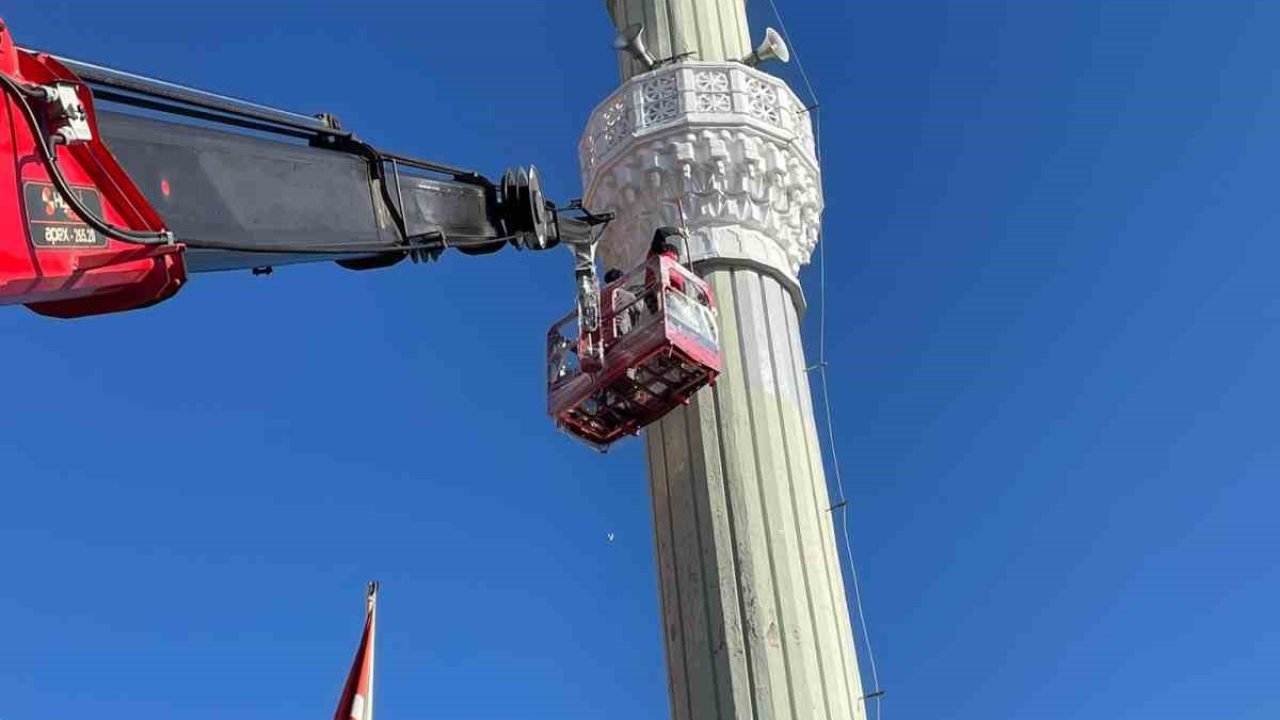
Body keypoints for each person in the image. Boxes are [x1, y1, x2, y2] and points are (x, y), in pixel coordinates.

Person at [605, 268, 639, 339]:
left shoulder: (601, 298)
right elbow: (638, 311)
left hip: (605, 336)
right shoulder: (627, 295)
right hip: (621, 333)